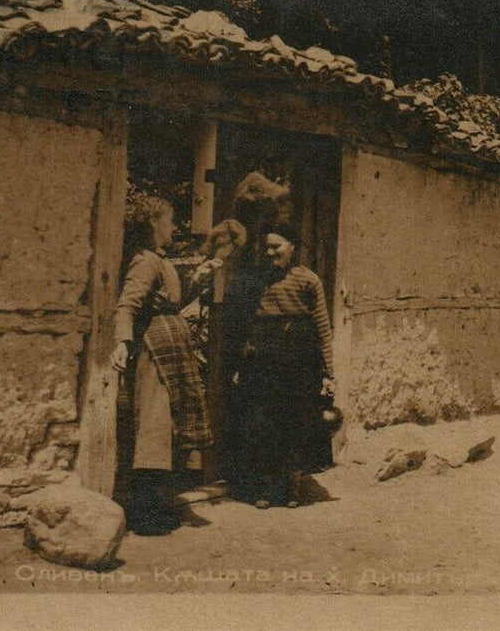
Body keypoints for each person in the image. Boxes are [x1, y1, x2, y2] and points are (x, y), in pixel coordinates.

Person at [109, 194, 219, 536]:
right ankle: (144, 514)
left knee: (164, 429)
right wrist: (122, 343)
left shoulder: (159, 260)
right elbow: (127, 304)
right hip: (154, 352)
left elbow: (170, 302)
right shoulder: (145, 261)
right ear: (153, 224)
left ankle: (155, 505)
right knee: (153, 430)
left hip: (168, 348)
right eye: (169, 221)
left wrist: (197, 281)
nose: (173, 227)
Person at [230, 223, 336, 509]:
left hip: (298, 359)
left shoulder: (308, 280)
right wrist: (243, 361)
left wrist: (329, 372)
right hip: (263, 359)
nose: (270, 252)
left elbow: (323, 328)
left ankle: (291, 488)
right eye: (267, 246)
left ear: (292, 247)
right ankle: (265, 487)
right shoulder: (258, 281)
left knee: (294, 422)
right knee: (263, 422)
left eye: (276, 246)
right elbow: (248, 324)